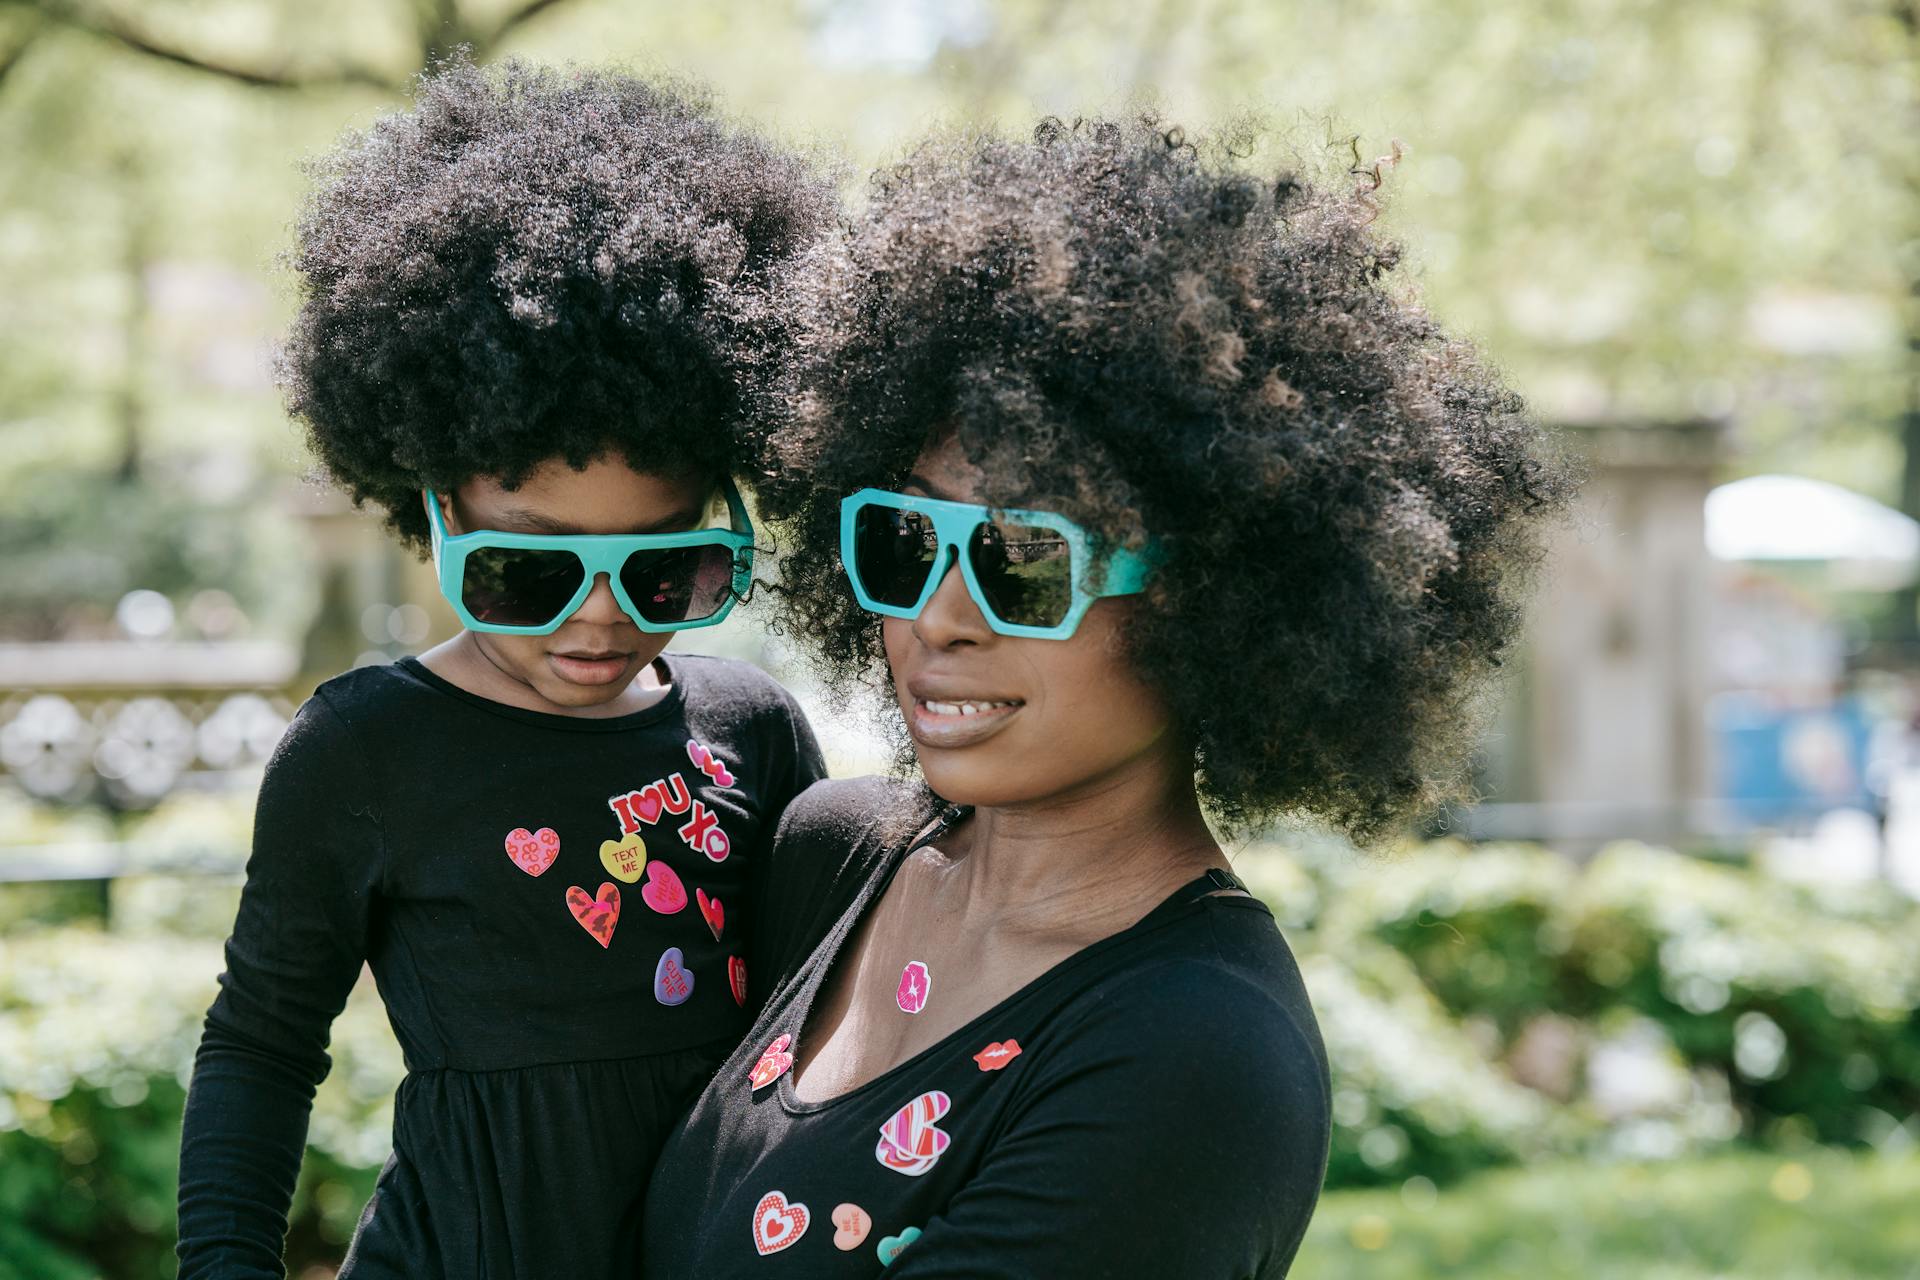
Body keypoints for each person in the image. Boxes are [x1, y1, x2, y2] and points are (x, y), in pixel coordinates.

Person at [641, 116, 1579, 1276]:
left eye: (1023, 558)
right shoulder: (836, 856)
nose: (938, 614)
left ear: (1216, 600)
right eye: (903, 537)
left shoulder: (1196, 1051)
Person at [176, 60, 832, 1279]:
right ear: (433, 513)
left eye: (661, 570)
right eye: (528, 573)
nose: (596, 619)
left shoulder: (757, 728)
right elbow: (263, 1044)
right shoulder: (365, 749)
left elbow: (820, 1033)